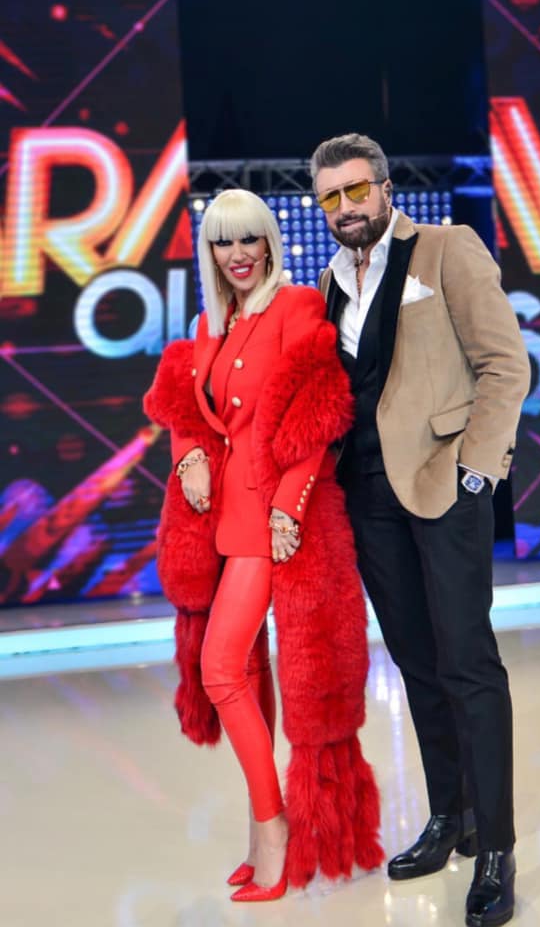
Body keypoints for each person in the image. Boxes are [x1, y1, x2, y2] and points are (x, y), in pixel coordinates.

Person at [310, 133, 531, 927]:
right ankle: (451, 816)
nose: (346, 206)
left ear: (385, 188)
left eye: (356, 189)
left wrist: (478, 471)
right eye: (331, 197)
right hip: (368, 500)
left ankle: (497, 847)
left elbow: (506, 363)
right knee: (417, 664)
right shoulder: (328, 283)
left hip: (445, 486)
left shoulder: (445, 248)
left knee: (468, 664)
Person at [143, 188, 383, 902]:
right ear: (209, 251)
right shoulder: (207, 325)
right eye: (223, 241)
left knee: (221, 668)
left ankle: (276, 829)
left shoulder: (297, 308)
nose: (238, 254)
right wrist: (188, 454)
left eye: (249, 238)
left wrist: (288, 509)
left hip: (269, 522)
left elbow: (318, 414)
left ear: (270, 243)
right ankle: (259, 830)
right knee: (244, 674)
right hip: (218, 522)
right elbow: (188, 412)